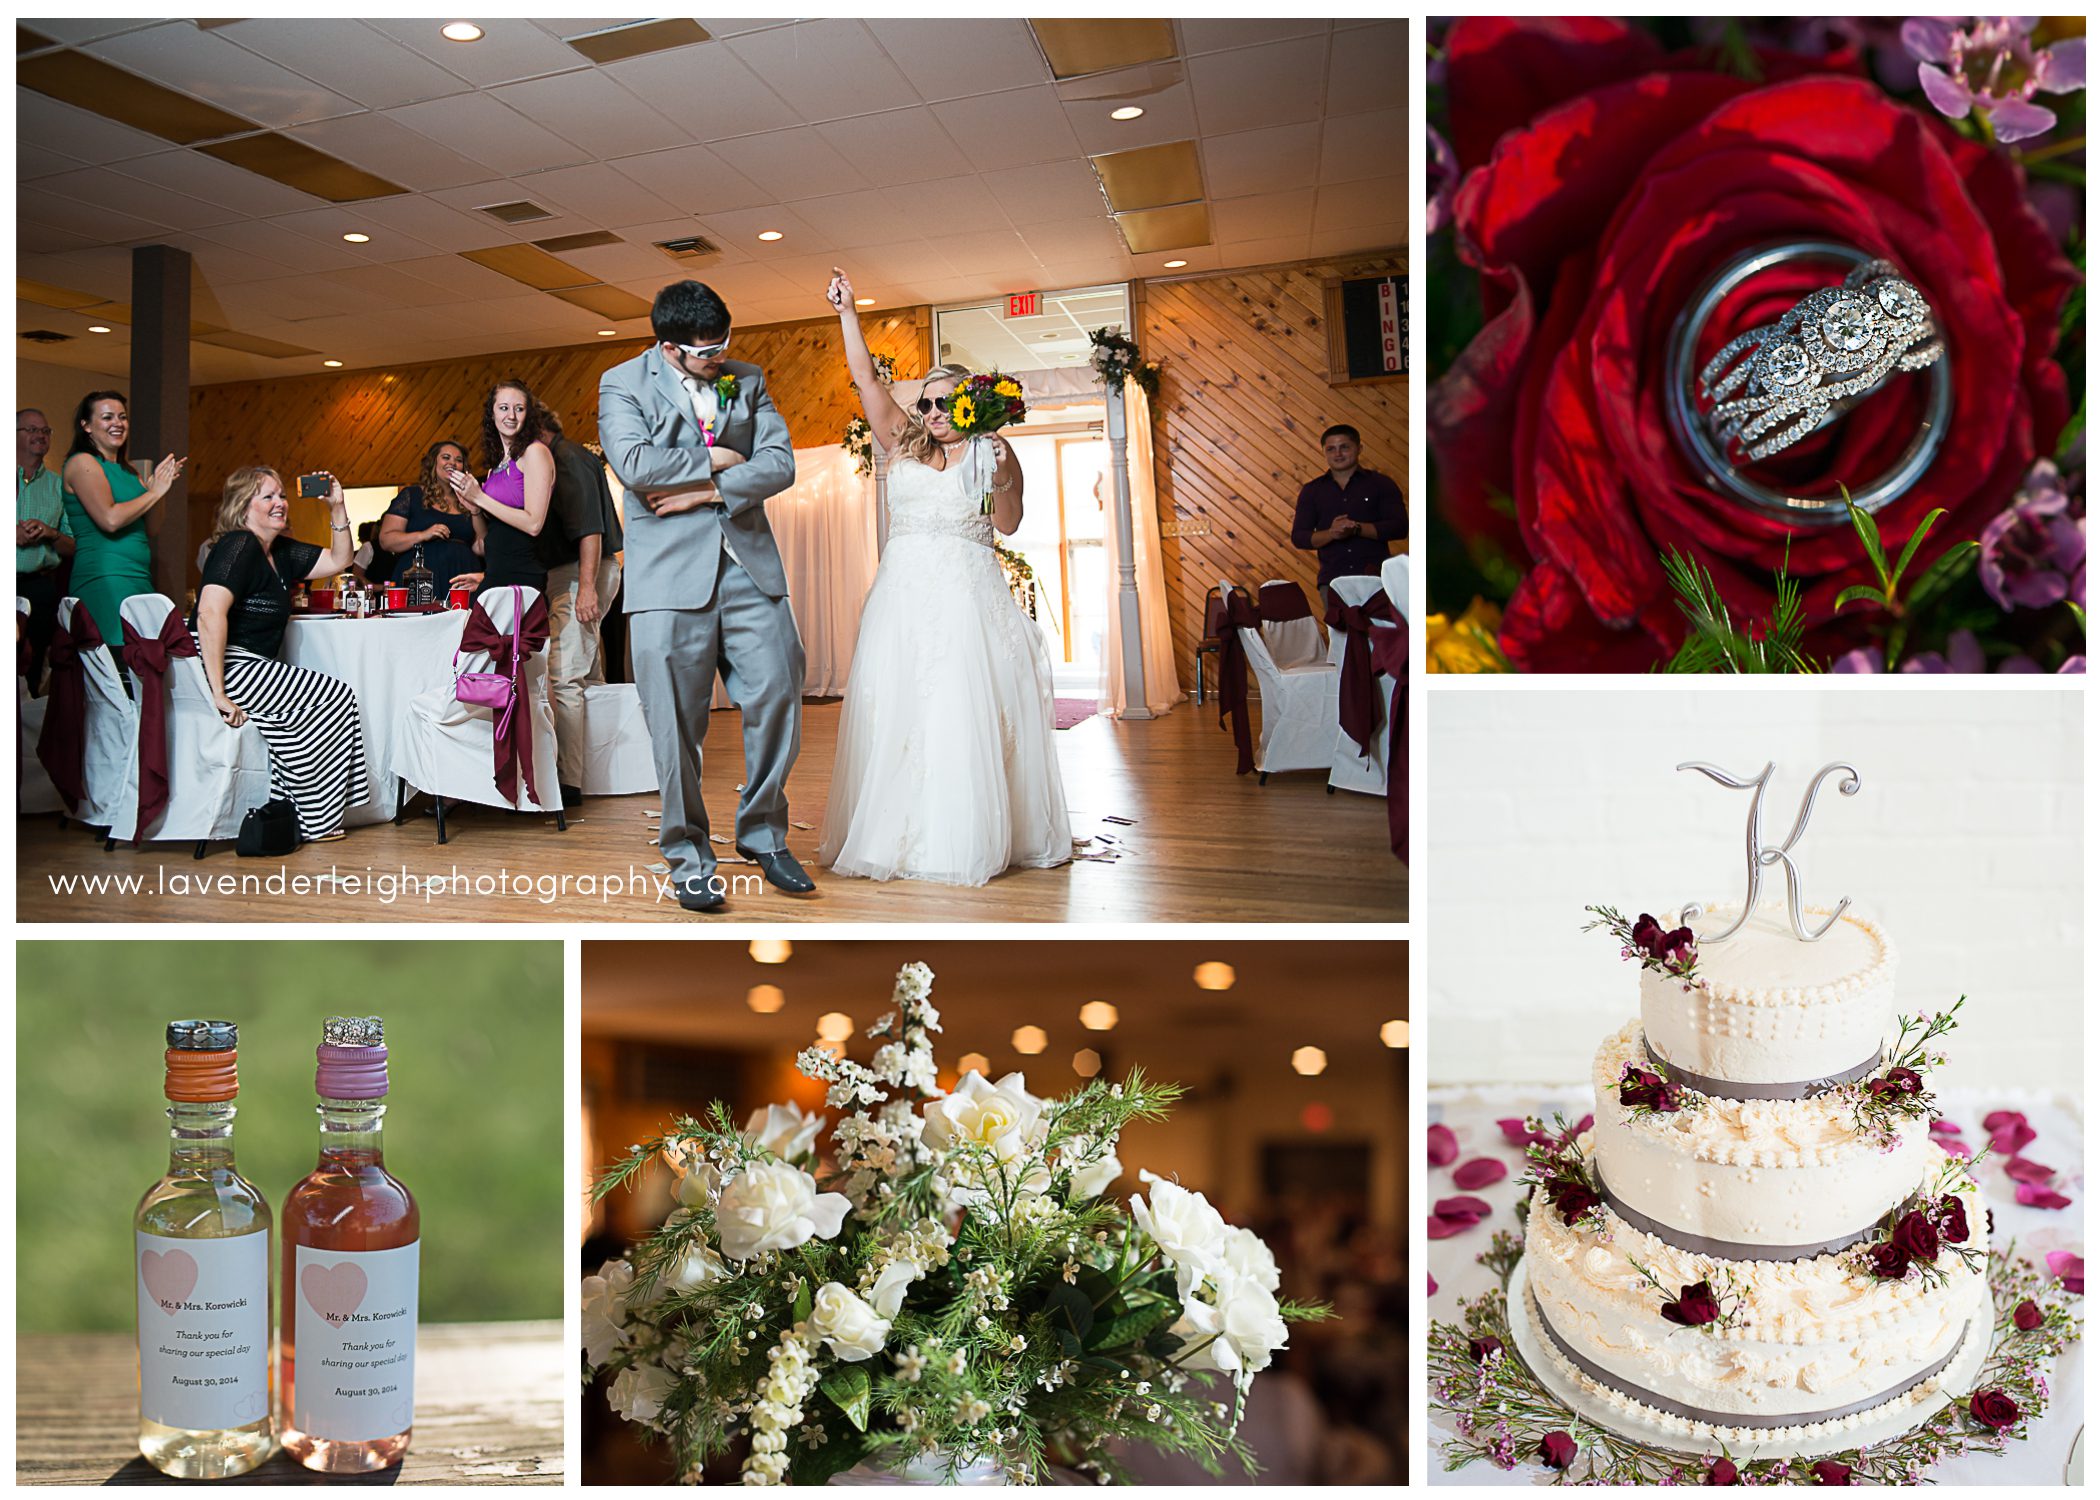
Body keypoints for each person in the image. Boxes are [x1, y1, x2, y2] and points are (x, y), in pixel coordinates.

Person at [817, 267, 1072, 886]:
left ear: (968, 405)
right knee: (898, 708)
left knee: (958, 709)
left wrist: (1003, 473)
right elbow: (866, 379)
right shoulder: (903, 444)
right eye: (924, 402)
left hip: (966, 599)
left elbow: (1008, 523)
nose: (930, 411)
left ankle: (963, 835)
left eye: (941, 401)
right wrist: (849, 313)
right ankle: (893, 832)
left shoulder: (991, 452)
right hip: (902, 599)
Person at [596, 279, 805, 912]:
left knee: (779, 690)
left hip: (747, 566)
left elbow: (780, 463)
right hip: (666, 581)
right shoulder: (622, 383)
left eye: (724, 343)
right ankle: (688, 855)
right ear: (669, 347)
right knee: (674, 728)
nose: (721, 358)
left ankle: (763, 833)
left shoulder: (748, 378)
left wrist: (708, 491)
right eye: (707, 351)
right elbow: (634, 465)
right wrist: (717, 459)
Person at [190, 466, 368, 843]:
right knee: (334, 697)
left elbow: (340, 560)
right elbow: (208, 613)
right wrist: (218, 693)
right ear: (243, 506)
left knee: (328, 703)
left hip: (251, 665)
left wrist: (336, 506)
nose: (280, 503)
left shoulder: (279, 551)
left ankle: (294, 811)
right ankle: (312, 818)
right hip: (226, 664)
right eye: (267, 496)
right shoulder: (239, 545)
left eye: (282, 495)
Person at [536, 408, 624, 809]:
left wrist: (586, 588)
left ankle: (567, 782)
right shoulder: (571, 455)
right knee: (586, 673)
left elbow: (590, 528)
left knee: (564, 676)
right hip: (579, 573)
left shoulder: (566, 459)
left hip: (580, 573)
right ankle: (598, 770)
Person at [60, 390, 183, 643]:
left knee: (145, 654)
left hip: (138, 577)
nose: (117, 423)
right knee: (121, 654)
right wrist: (153, 493)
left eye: (122, 417)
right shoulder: (82, 463)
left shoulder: (129, 472)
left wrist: (159, 490)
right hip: (104, 577)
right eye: (107, 417)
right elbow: (110, 520)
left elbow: (151, 528)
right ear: (86, 426)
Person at [448, 380, 554, 598]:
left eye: (519, 409)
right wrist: (475, 509)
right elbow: (485, 543)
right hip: (496, 575)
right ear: (492, 413)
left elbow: (534, 524)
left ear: (528, 415)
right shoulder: (496, 466)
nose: (511, 416)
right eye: (504, 408)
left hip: (522, 576)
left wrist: (479, 497)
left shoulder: (535, 452)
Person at [1290, 424, 1406, 592]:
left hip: (1378, 579)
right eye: (1331, 449)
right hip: (1332, 582)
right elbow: (1299, 538)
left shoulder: (1381, 484)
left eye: (1344, 447)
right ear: (1324, 452)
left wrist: (1357, 528)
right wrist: (1332, 533)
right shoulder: (1312, 491)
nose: (1337, 454)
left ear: (1359, 448)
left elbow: (1400, 528)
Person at [379, 438, 483, 596]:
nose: (452, 463)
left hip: (462, 577)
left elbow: (481, 547)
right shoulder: (412, 495)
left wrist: (477, 508)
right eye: (446, 457)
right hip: (421, 578)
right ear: (433, 462)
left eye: (459, 460)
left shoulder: (469, 501)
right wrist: (423, 535)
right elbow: (386, 540)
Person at [17, 407, 74, 688]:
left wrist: (49, 533)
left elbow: (72, 546)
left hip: (39, 588)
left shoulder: (58, 486)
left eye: (45, 431)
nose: (40, 435)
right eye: (31, 429)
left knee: (33, 666)